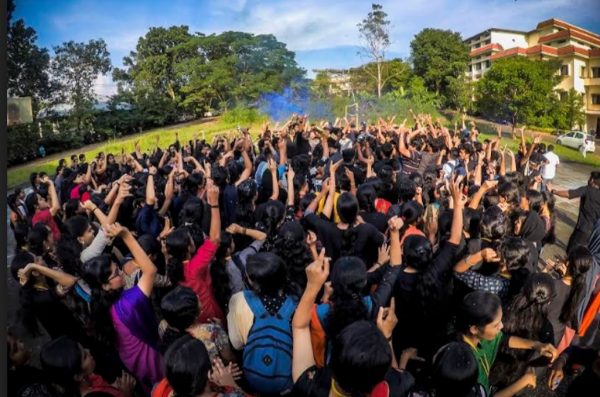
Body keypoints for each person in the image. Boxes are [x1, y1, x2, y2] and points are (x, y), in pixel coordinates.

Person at [456, 291, 558, 396]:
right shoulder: (465, 366)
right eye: (496, 325)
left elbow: (503, 339)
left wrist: (536, 345)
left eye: (500, 321)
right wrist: (523, 381)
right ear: (474, 329)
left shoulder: (481, 335)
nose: (501, 326)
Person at [551, 171, 600, 254]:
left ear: (592, 180)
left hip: (582, 229)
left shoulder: (588, 189)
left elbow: (569, 194)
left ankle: (566, 265)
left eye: (589, 178)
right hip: (595, 232)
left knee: (571, 252)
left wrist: (554, 191)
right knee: (583, 254)